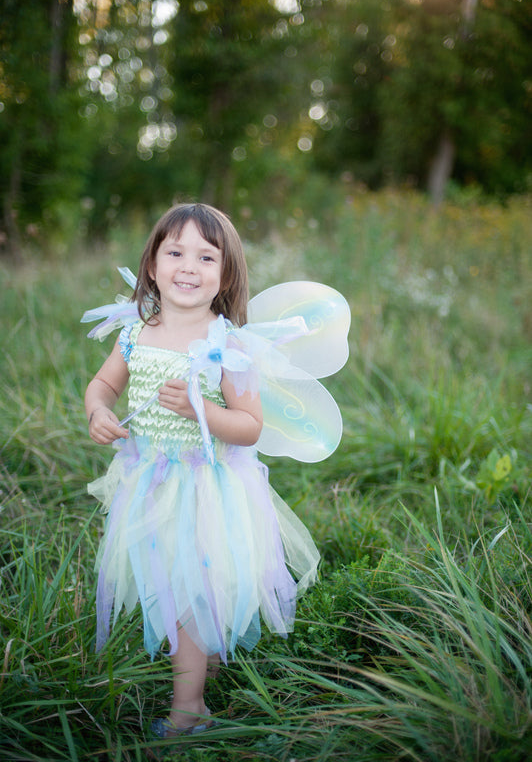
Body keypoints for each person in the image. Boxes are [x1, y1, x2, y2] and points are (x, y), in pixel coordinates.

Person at [83, 203, 349, 738]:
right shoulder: (136, 332)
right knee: (171, 581)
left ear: (226, 275)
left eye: (207, 256)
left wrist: (201, 410)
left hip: (208, 488)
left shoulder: (230, 346)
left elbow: (250, 426)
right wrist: (98, 411)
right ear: (152, 265)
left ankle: (189, 710)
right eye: (175, 251)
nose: (189, 266)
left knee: (189, 591)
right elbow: (103, 384)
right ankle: (205, 659)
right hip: (149, 481)